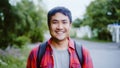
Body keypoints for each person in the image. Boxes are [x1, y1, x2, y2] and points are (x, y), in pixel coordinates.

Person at [26, 6, 93, 68]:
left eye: (64, 22)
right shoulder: (36, 53)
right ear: (49, 25)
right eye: (55, 22)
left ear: (70, 25)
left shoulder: (83, 53)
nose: (60, 27)